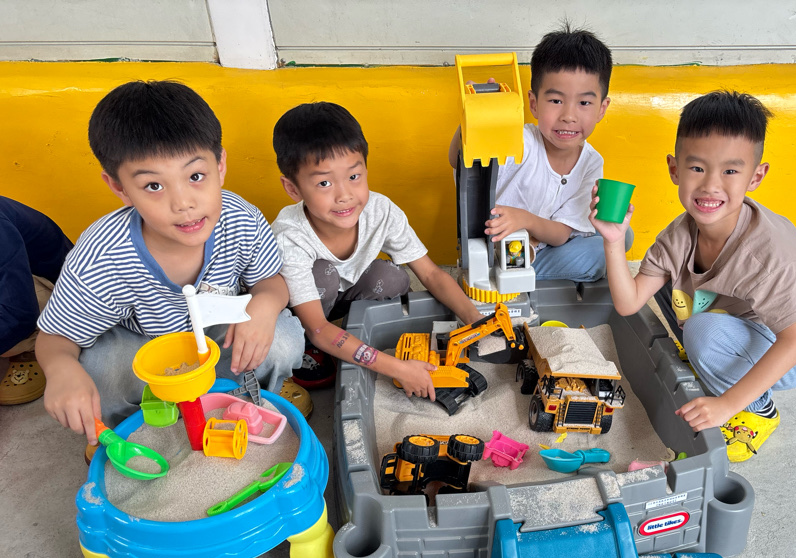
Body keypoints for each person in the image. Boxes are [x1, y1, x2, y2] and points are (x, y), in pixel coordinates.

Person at [36, 80, 307, 451]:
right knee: (99, 370)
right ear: (119, 188)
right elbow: (56, 339)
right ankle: (128, 430)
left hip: (217, 338)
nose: (183, 204)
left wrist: (265, 305)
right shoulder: (102, 256)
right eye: (153, 186)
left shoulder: (240, 218)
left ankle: (249, 399)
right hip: (146, 353)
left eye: (195, 176)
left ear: (220, 165)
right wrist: (60, 371)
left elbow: (270, 282)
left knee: (282, 338)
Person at [591, 91, 796, 462]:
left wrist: (726, 404)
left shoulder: (768, 254)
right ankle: (712, 355)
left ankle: (759, 410)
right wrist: (613, 240)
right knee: (672, 282)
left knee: (701, 329)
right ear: (675, 169)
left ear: (756, 176)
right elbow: (628, 302)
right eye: (697, 168)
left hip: (795, 351)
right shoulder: (680, 233)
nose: (710, 186)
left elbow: (794, 343)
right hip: (736, 319)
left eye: (730, 171)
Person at [271, 101, 485, 395]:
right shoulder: (290, 236)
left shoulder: (380, 211)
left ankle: (348, 335)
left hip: (340, 299)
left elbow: (431, 274)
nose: (345, 195)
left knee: (393, 278)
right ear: (293, 188)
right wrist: (398, 368)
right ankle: (308, 350)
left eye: (354, 176)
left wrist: (475, 319)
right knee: (324, 275)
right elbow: (319, 328)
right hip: (301, 313)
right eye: (324, 183)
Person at [448, 24, 613, 283]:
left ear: (601, 109)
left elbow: (561, 234)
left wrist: (525, 220)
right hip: (503, 254)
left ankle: (536, 271)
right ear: (534, 104)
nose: (569, 116)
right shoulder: (520, 140)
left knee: (619, 235)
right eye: (556, 101)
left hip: (548, 243)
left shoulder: (591, 162)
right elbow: (458, 161)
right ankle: (511, 278)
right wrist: (473, 119)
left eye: (584, 103)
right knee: (602, 255)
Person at [0, 197, 74, 406]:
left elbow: (20, 313)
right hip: (19, 283)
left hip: (59, 293)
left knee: (16, 320)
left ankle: (35, 345)